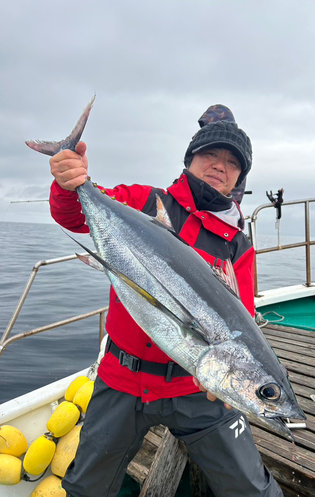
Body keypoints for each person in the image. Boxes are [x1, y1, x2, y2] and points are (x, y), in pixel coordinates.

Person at [49, 104, 283, 497]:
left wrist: (227, 383)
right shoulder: (144, 201)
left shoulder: (238, 246)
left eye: (231, 162)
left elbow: (238, 319)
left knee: (252, 490)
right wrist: (69, 181)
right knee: (85, 488)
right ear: (191, 158)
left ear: (239, 178)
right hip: (122, 379)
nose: (219, 166)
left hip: (195, 389)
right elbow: (75, 215)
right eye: (210, 154)